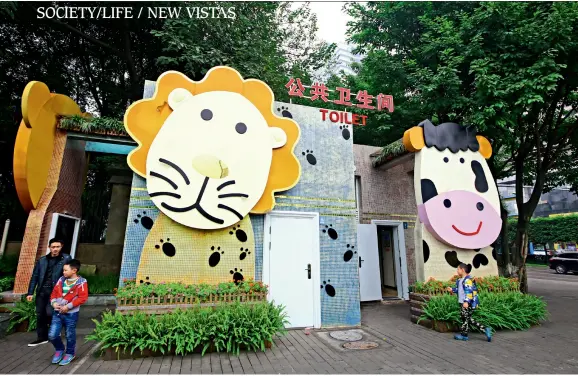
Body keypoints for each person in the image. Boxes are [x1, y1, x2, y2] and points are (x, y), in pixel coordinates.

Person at [26, 238, 72, 347]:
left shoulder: (66, 259)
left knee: (51, 313)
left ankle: (54, 333)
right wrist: (30, 292)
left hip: (56, 291)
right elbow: (35, 276)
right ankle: (42, 338)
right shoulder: (42, 260)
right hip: (42, 290)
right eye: (53, 247)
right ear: (49, 247)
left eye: (57, 247)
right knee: (40, 314)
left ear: (61, 247)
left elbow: (70, 274)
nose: (55, 249)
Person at [48, 259, 88, 366]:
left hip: (71, 314)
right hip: (57, 313)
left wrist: (68, 306)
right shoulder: (61, 280)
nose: (63, 272)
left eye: (65, 270)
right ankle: (59, 349)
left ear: (74, 270)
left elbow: (82, 298)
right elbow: (53, 294)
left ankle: (70, 353)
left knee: (70, 335)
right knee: (52, 335)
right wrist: (54, 303)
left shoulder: (82, 282)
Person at [446, 263, 493, 342]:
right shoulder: (460, 280)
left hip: (466, 303)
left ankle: (466, 334)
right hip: (462, 302)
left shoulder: (468, 280)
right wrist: (452, 290)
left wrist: (466, 301)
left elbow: (469, 291)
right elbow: (460, 290)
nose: (457, 271)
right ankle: (469, 334)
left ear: (462, 270)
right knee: (466, 318)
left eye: (458, 269)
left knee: (466, 318)